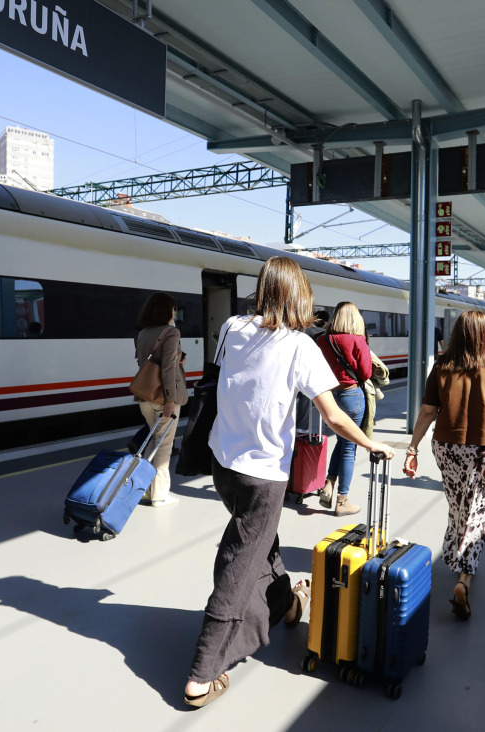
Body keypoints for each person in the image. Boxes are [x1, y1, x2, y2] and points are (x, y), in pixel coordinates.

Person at [184, 257, 394, 708]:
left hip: (223, 464)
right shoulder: (300, 346)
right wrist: (370, 443)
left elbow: (224, 382)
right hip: (263, 475)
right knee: (239, 562)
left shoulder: (232, 327)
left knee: (260, 542)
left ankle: (286, 603)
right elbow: (333, 416)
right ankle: (203, 671)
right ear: (300, 295)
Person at [402, 310, 485, 621]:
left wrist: (412, 449)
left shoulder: (442, 367)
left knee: (459, 505)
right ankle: (464, 578)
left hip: (448, 447)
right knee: (481, 513)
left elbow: (427, 412)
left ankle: (454, 552)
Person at [317, 302, 373, 516]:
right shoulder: (357, 340)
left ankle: (328, 485)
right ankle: (343, 500)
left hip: (330, 397)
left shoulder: (322, 340)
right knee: (349, 446)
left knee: (341, 441)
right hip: (352, 395)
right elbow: (366, 373)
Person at [134, 292, 189, 507]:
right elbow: (166, 368)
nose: (175, 312)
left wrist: (178, 360)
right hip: (163, 398)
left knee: (154, 440)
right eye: (174, 309)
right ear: (167, 310)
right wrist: (170, 400)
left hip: (145, 396)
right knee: (164, 445)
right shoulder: (171, 332)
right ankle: (160, 495)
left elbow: (147, 363)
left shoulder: (143, 333)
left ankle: (146, 489)